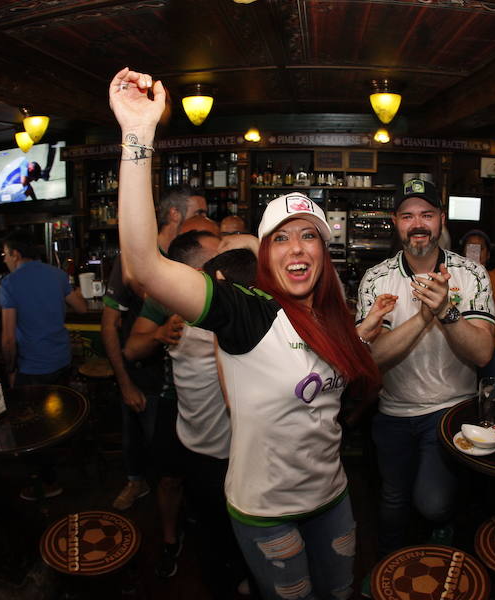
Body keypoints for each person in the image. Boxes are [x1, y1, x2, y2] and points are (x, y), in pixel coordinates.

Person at [108, 67, 391, 598]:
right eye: (280, 239)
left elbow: (347, 356)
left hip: (333, 497)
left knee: (340, 594)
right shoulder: (247, 313)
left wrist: (386, 326)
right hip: (267, 512)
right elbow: (143, 265)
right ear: (263, 255)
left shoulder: (331, 313)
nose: (298, 247)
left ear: (323, 253)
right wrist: (138, 136)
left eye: (310, 236)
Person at [356, 178, 495, 559]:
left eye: (427, 214)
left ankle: (441, 551)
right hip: (394, 411)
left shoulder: (471, 275)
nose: (418, 223)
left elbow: (483, 353)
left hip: (450, 410)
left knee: (433, 503)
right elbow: (371, 358)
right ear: (395, 222)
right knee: (392, 498)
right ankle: (387, 568)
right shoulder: (376, 279)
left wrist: (448, 312)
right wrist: (422, 319)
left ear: (441, 220)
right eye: (408, 215)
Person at [126, 231, 245, 594]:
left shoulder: (226, 299)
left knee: (222, 504)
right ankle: (171, 542)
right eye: (217, 252)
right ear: (194, 268)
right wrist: (160, 333)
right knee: (177, 483)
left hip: (218, 425)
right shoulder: (173, 303)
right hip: (185, 416)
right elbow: (132, 347)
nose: (225, 255)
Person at [101, 184, 204, 522]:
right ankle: (140, 487)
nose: (205, 219)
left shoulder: (188, 255)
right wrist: (125, 383)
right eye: (198, 213)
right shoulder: (135, 257)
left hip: (181, 382)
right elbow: (110, 325)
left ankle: (185, 508)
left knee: (180, 456)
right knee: (150, 450)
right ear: (174, 214)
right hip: (144, 375)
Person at [0, 230, 87, 500]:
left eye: (5, 254)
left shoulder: (9, 284)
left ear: (15, 254)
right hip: (61, 360)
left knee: (32, 427)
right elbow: (82, 308)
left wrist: (10, 370)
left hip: (33, 367)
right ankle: (66, 469)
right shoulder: (57, 275)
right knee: (56, 415)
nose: (4, 259)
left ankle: (47, 483)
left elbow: (8, 339)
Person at [462, 229, 495, 381]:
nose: (474, 251)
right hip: (460, 346)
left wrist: (477, 270)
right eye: (470, 247)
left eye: (480, 248)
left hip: (492, 346)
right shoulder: (454, 275)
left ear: (488, 254)